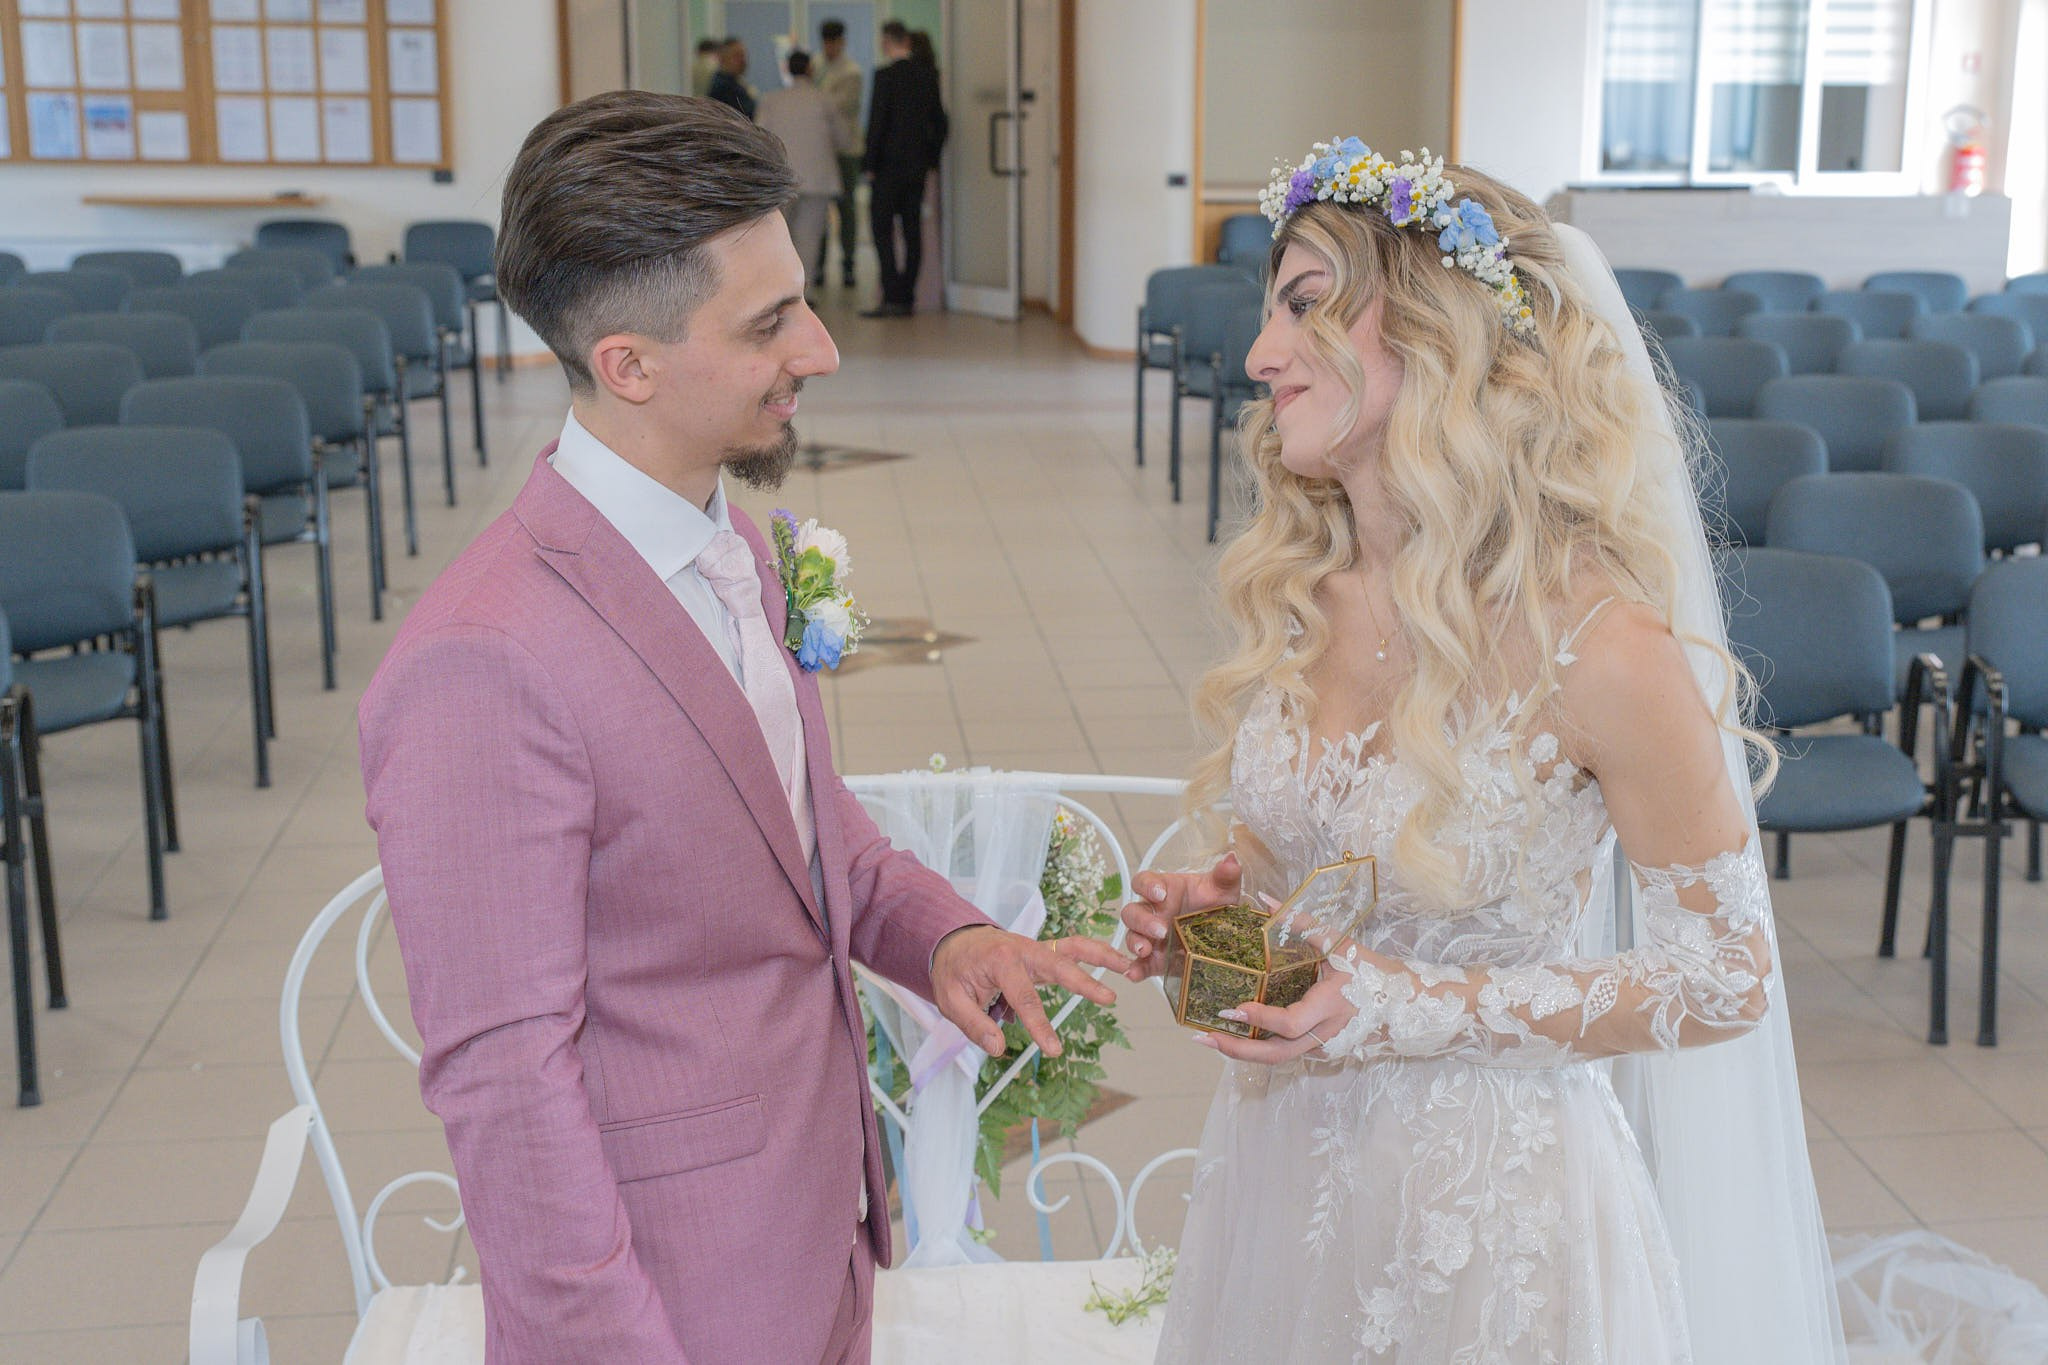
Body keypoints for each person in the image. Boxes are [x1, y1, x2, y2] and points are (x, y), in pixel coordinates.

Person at [359, 92, 1127, 1363]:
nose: (820, 349)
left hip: (817, 1219)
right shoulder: (482, 663)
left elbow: (808, 838)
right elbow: (505, 1088)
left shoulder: (738, 545)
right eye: (771, 324)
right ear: (629, 364)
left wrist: (943, 935)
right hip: (671, 1293)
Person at [1121, 141, 1847, 1362]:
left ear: (1435, 333)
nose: (1256, 356)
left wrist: (1403, 1007)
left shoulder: (1597, 644)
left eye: (1302, 307)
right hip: (1284, 1172)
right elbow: (1321, 868)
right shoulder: (1309, 590)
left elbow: (1724, 975)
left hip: (1487, 1211)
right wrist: (1221, 917)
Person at [860, 19, 947, 318]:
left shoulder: (884, 76)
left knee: (881, 229)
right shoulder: (928, 75)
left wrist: (869, 163)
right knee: (912, 231)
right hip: (915, 169)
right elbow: (940, 122)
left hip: (886, 169)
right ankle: (907, 296)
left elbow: (877, 123)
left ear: (888, 42)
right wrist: (930, 159)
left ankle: (891, 294)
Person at [758, 49, 857, 294]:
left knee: (780, 238)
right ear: (811, 69)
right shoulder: (824, 99)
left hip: (781, 179)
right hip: (818, 179)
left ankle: (780, 291)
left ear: (787, 69)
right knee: (810, 237)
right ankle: (805, 291)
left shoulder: (771, 100)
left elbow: (759, 138)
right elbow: (844, 139)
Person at [816, 19, 865, 289]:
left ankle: (848, 264)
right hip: (822, 152)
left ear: (842, 42)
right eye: (826, 42)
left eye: (834, 42)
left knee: (847, 210)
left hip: (846, 152)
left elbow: (837, 108)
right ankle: (818, 267)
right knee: (819, 212)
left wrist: (820, 100)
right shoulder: (818, 67)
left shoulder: (851, 72)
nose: (830, 47)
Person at [707, 36, 755, 120]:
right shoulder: (724, 88)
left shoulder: (736, 84)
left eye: (743, 55)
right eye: (737, 56)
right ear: (722, 58)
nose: (743, 60)